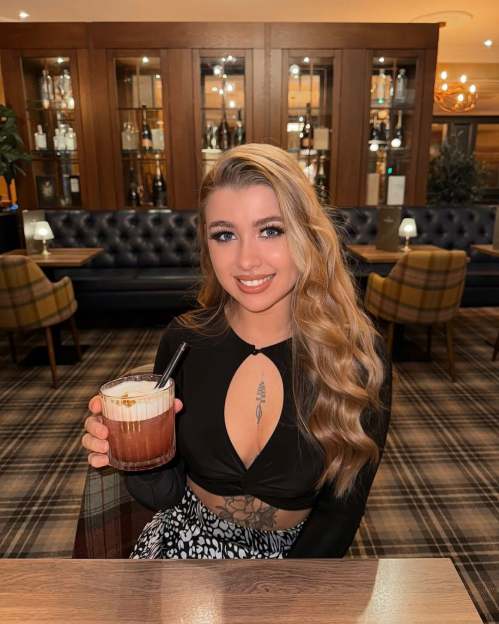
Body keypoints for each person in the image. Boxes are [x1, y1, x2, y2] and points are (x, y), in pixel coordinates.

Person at [82, 143, 392, 559]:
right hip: (185, 544)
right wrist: (133, 455)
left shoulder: (355, 355)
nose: (247, 260)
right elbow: (164, 493)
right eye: (225, 235)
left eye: (271, 230)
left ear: (307, 235)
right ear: (207, 245)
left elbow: (341, 513)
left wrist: (282, 589)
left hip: (299, 562)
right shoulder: (183, 341)